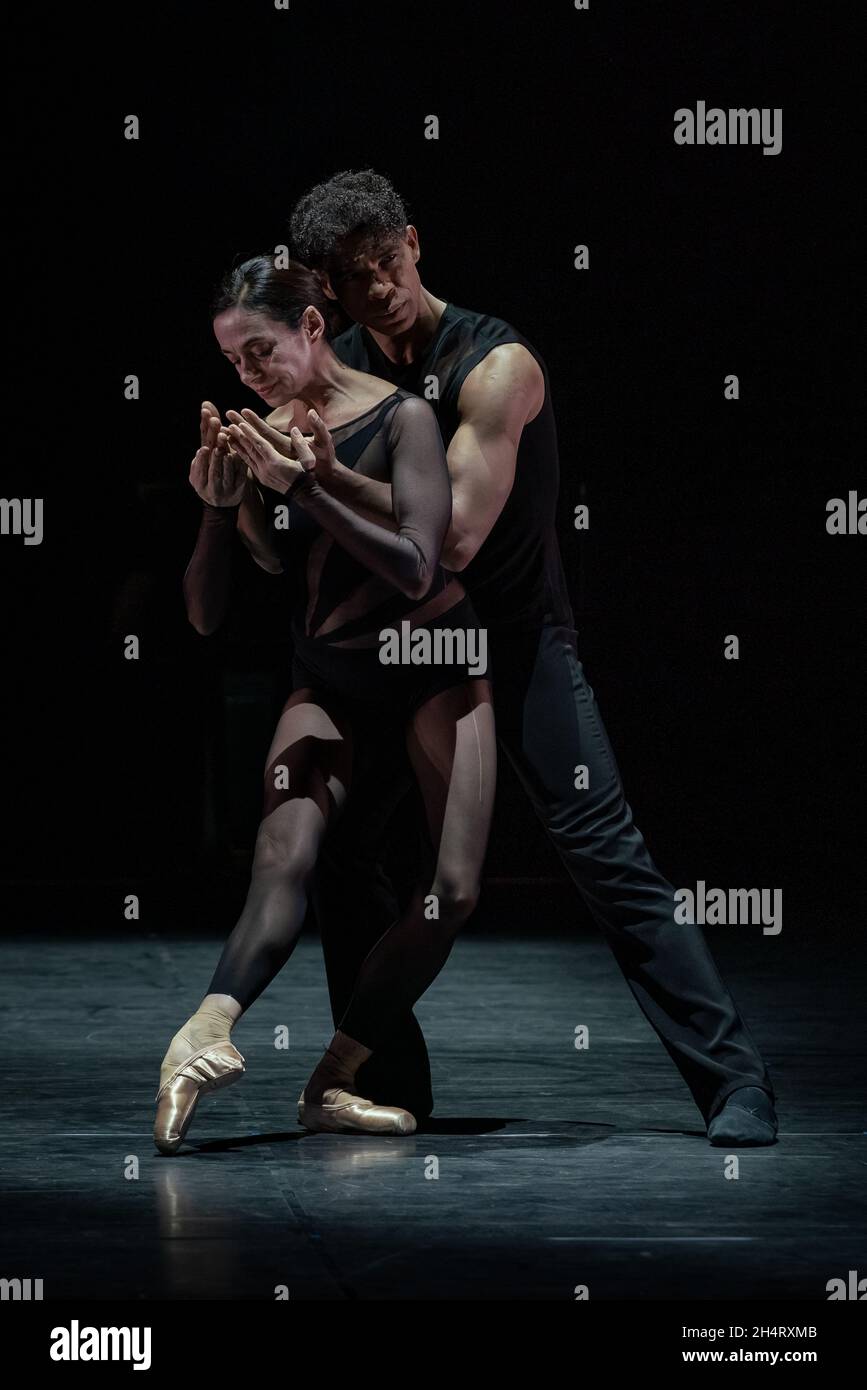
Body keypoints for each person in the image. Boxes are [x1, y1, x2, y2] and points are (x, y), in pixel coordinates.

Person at [274, 168, 778, 1147]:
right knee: (343, 847)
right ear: (327, 288)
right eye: (355, 278)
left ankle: (736, 1082)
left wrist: (325, 474)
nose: (380, 288)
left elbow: (449, 541)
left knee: (607, 858)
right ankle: (389, 1080)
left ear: (414, 244)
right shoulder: (330, 370)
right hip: (408, 653)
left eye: (389, 263)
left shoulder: (496, 365)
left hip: (516, 639)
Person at [153, 254, 496, 1154]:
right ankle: (203, 1034)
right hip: (332, 675)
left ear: (311, 328)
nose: (249, 374)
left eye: (259, 350)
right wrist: (218, 510)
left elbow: (420, 563)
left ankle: (335, 1079)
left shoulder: (404, 415)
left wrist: (306, 486)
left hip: (433, 661)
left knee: (450, 891)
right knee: (284, 851)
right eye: (233, 362)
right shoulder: (261, 437)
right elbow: (204, 615)